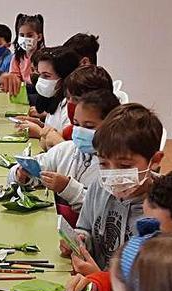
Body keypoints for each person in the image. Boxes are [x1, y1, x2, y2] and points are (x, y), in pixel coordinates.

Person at [69, 103, 165, 275]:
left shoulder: (164, 209)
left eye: (124, 165)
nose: (113, 174)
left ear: (155, 160)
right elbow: (85, 228)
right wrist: (80, 240)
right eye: (103, 164)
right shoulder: (99, 186)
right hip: (93, 284)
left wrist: (101, 279)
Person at [8, 89, 119, 214]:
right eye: (76, 124)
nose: (80, 131)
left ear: (111, 127)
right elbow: (36, 168)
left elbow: (104, 210)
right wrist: (22, 175)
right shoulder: (67, 150)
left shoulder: (115, 166)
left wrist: (67, 188)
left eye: (89, 126)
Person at [34, 65, 115, 148]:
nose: (70, 103)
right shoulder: (74, 129)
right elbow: (45, 143)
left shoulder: (118, 143)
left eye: (76, 99)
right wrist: (48, 135)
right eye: (68, 98)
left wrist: (60, 144)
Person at [23, 46, 82, 138]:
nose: (40, 80)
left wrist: (39, 132)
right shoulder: (56, 98)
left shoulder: (71, 106)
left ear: (64, 77)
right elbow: (55, 128)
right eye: (39, 74)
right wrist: (39, 125)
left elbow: (65, 143)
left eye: (46, 76)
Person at [11, 13, 45, 85]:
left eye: (29, 35)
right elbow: (14, 76)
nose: (25, 38)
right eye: (22, 35)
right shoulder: (17, 57)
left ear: (39, 37)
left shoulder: (43, 57)